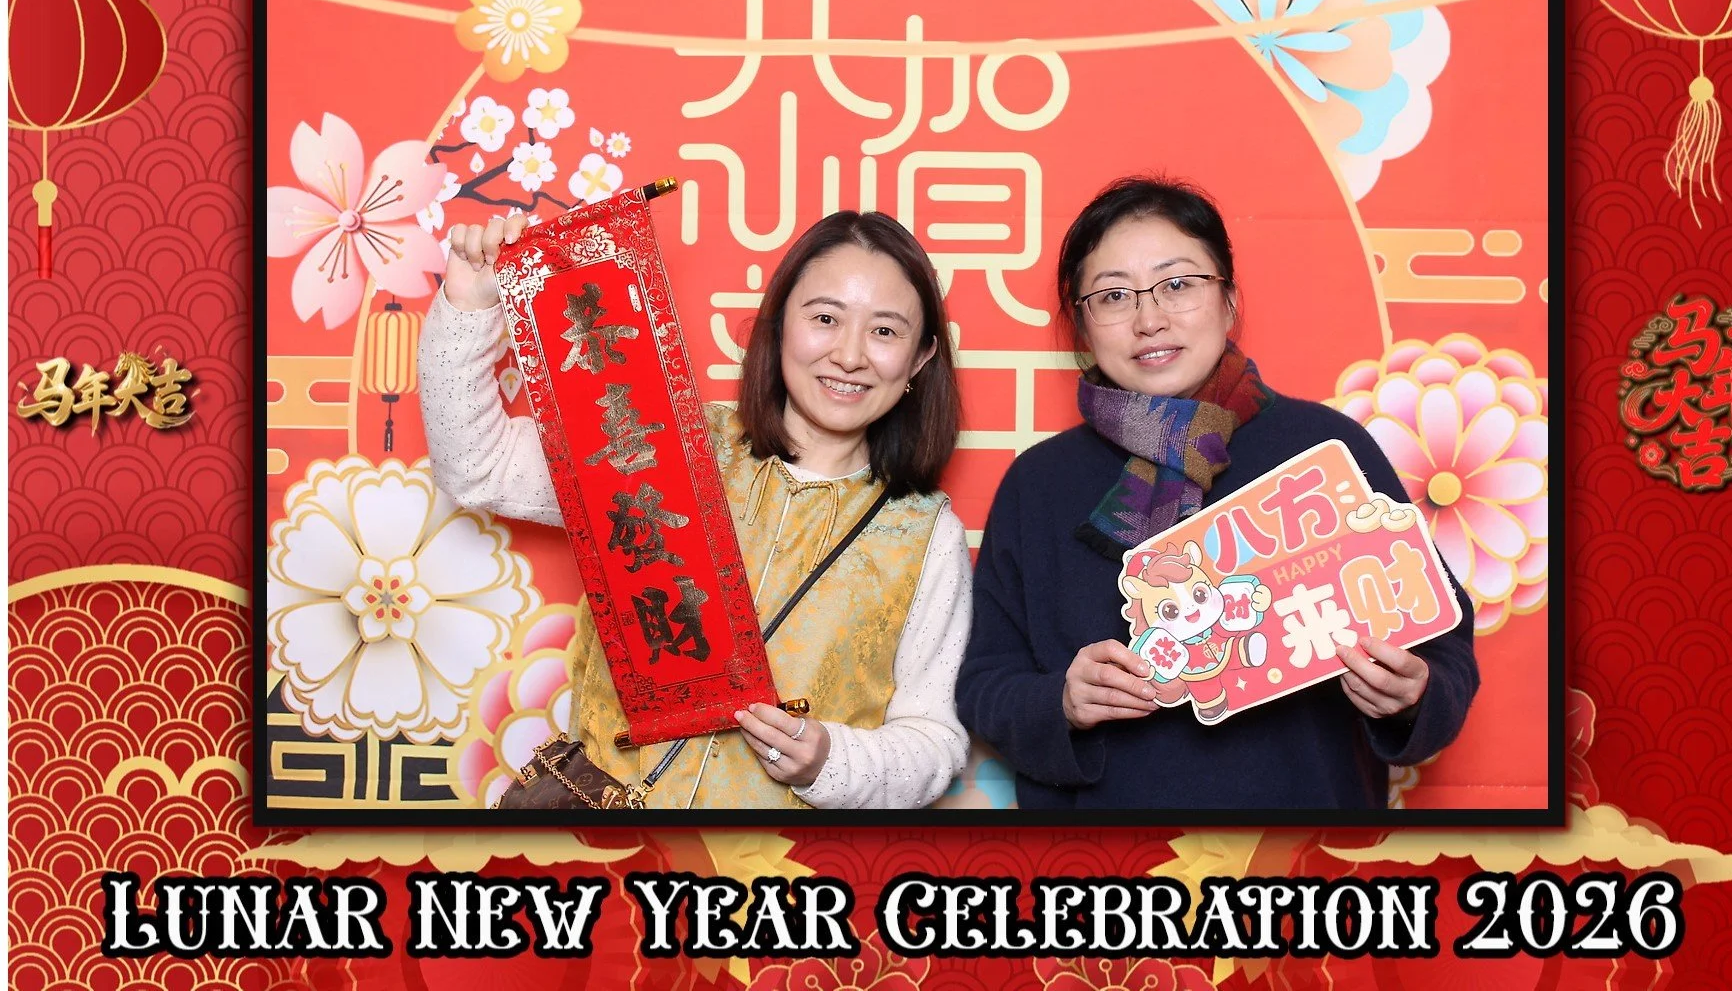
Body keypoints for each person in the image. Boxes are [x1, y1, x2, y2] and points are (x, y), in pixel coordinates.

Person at [955, 176, 1479, 810]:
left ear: (1230, 301)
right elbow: (985, 682)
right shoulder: (1039, 483)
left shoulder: (1324, 451)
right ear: (1081, 327)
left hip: (1297, 853)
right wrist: (1060, 703)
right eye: (1113, 296)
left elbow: (1442, 644)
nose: (1150, 320)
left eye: (1178, 284)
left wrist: (1413, 694)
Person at [419, 209, 971, 809]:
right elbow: (480, 467)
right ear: (780, 324)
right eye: (825, 319)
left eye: (885, 332)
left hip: (770, 878)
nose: (849, 355)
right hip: (596, 851)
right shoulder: (663, 441)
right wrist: (470, 309)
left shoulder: (924, 531)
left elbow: (934, 740)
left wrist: (829, 761)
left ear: (920, 359)